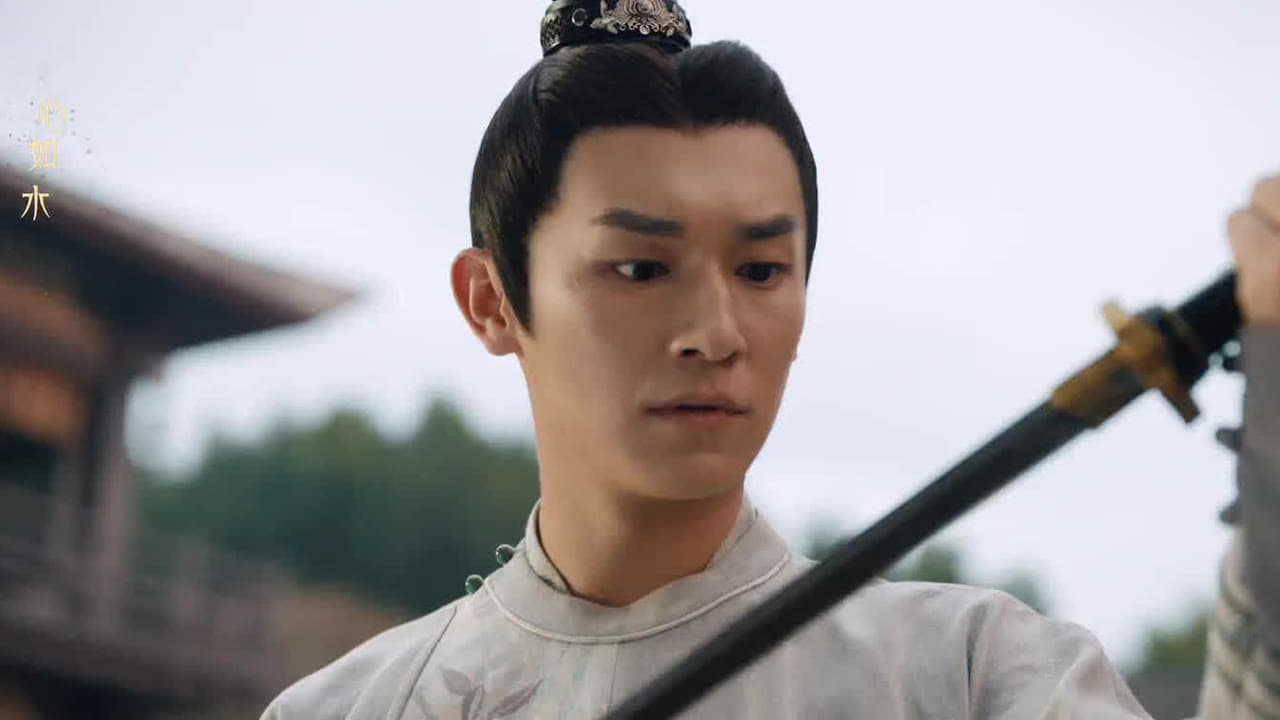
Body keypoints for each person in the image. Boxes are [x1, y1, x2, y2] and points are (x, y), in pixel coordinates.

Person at [261, 1, 1280, 717]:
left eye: (759, 270)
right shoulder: (347, 709)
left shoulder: (978, 676)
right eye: (639, 268)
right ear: (491, 301)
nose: (715, 331)